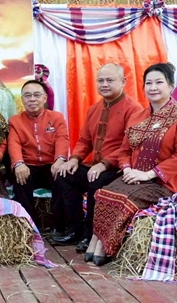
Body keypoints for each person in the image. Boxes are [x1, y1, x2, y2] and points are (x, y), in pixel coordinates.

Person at [88, 63, 177, 266]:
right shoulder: (138, 117)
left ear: (171, 86)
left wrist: (148, 175)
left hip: (162, 183)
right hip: (134, 177)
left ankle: (104, 246)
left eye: (159, 82)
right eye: (148, 83)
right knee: (103, 193)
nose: (153, 87)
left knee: (123, 198)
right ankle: (97, 239)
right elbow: (124, 150)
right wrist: (127, 169)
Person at [52, 64, 141, 251]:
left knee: (96, 182)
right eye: (100, 80)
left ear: (123, 82)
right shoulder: (94, 108)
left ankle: (90, 235)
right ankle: (74, 229)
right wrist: (74, 159)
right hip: (94, 166)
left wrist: (104, 164)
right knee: (65, 176)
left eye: (110, 80)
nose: (104, 84)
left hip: (119, 169)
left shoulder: (133, 109)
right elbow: (85, 140)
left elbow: (129, 147)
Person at [8, 80, 70, 231]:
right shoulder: (15, 121)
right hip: (28, 165)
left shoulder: (57, 117)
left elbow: (62, 139)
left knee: (63, 178)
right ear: (22, 99)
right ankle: (30, 225)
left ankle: (58, 226)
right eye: (27, 95)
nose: (32, 99)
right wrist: (18, 163)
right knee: (20, 179)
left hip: (51, 164)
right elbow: (13, 143)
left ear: (44, 98)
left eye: (36, 95)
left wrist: (60, 160)